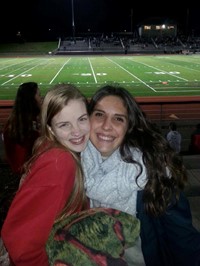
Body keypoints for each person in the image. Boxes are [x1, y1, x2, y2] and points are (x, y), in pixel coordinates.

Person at [81, 85, 200, 266]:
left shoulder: (153, 172)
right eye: (99, 114)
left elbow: (184, 241)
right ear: (87, 119)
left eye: (118, 119)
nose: (106, 125)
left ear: (129, 126)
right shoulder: (73, 168)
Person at [1, 84, 90, 266]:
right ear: (50, 129)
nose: (77, 131)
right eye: (64, 124)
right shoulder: (61, 163)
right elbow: (22, 246)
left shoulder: (55, 150)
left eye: (82, 119)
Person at [3, 82, 42, 176]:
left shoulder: (17, 121)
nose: (41, 98)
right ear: (31, 99)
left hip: (23, 169)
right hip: (27, 171)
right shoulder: (25, 125)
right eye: (39, 95)